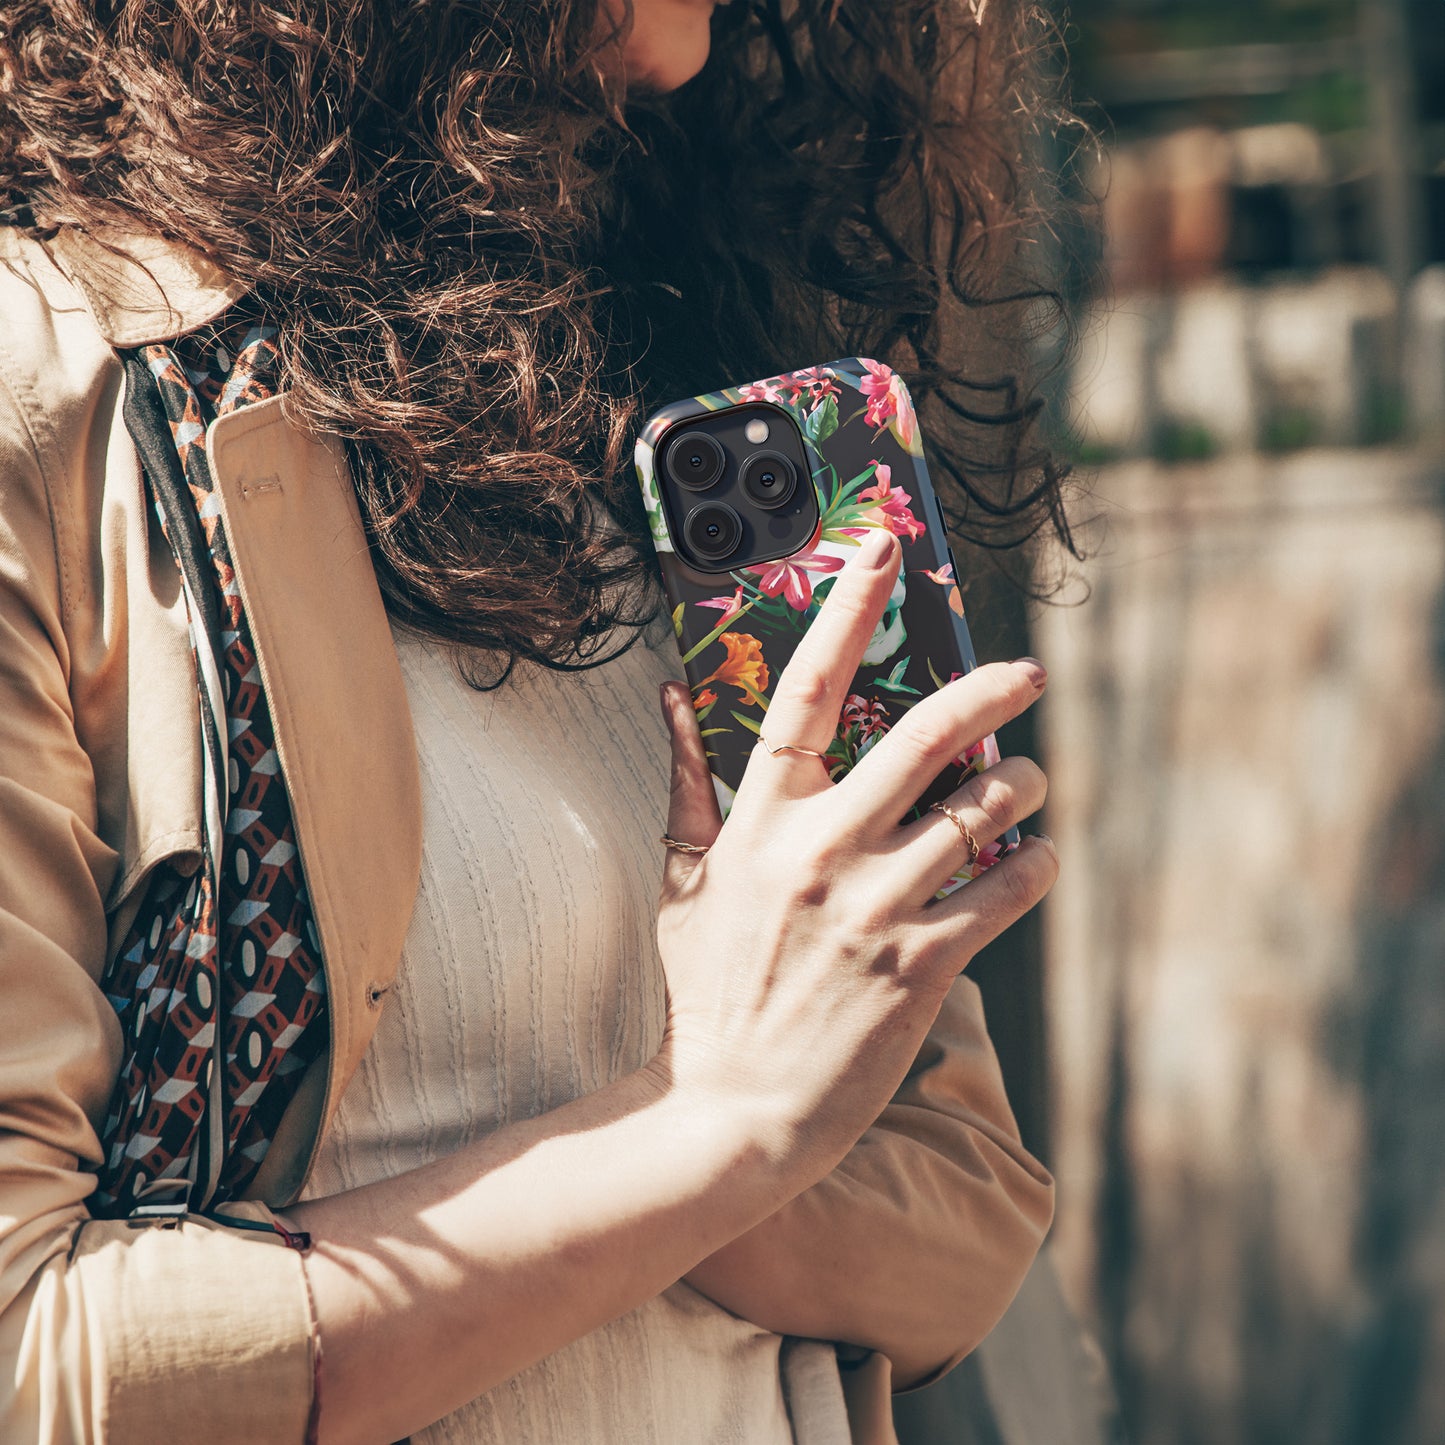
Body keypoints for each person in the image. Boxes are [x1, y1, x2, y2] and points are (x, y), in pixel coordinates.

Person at [0, 2, 1073, 1441]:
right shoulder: (48, 416)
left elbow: (965, 1222)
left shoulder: (682, 376)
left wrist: (734, 1132)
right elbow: (36, 1357)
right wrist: (704, 1122)